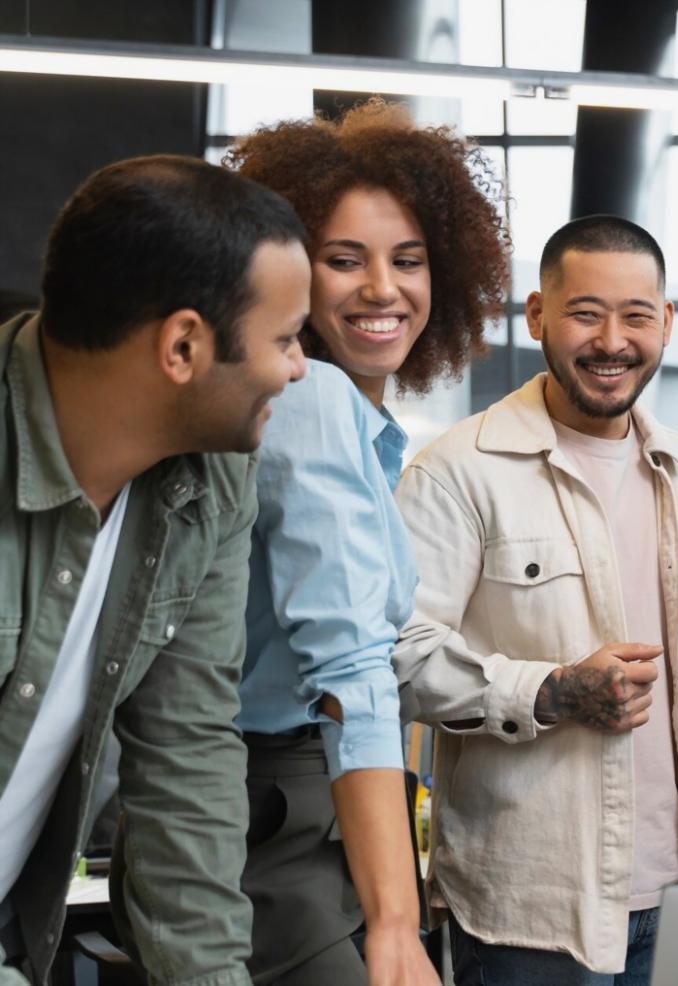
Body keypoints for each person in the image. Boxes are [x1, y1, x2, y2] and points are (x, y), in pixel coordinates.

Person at [392, 215, 678, 986]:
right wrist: (549, 691)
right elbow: (399, 657)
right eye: (584, 313)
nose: (612, 340)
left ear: (665, 323)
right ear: (538, 314)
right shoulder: (457, 472)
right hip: (529, 909)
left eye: (636, 315)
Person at [0, 156, 309, 983]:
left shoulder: (210, 478)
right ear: (182, 345)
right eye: (284, 338)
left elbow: (187, 760)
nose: (298, 366)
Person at [222, 100, 510, 986]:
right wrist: (395, 923)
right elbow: (348, 669)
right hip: (277, 805)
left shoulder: (358, 422)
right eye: (342, 260)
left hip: (313, 804)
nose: (382, 289)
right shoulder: (309, 401)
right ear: (283, 275)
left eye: (409, 261)